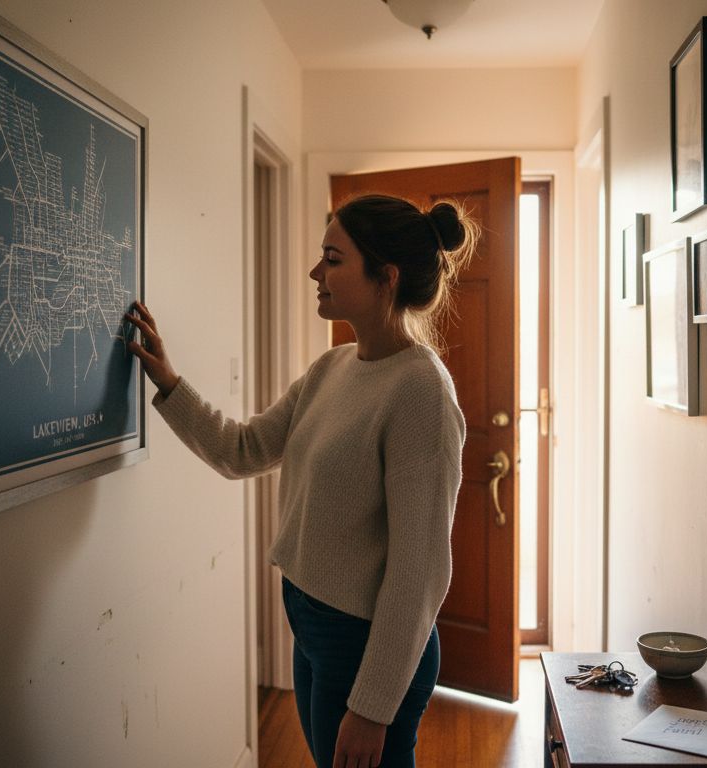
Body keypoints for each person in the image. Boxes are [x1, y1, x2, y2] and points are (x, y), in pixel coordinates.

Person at [124, 193, 476, 768]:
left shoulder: (421, 394)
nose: (317, 272)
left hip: (367, 646)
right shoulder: (331, 368)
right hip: (310, 624)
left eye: (333, 259)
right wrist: (168, 381)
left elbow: (420, 571)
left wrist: (373, 707)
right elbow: (242, 450)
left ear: (385, 277)